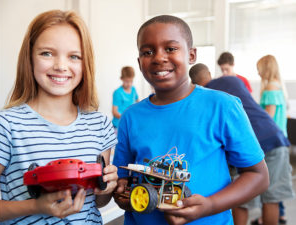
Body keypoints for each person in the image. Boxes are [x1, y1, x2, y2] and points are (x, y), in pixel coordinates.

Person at [113, 15, 269, 225]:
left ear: (192, 54)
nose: (159, 57)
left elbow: (258, 176)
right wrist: (122, 192)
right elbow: (123, 176)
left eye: (170, 48)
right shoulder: (130, 117)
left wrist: (211, 205)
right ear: (139, 62)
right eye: (147, 52)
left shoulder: (222, 106)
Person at [0, 10, 118, 225]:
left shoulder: (99, 125)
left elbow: (99, 200)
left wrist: (107, 186)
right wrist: (36, 206)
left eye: (74, 56)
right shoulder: (6, 126)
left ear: (85, 63)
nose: (61, 66)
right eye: (47, 53)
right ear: (29, 57)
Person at [189, 63, 294, 225]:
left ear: (193, 83)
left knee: (240, 200)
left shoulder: (205, 97)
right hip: (274, 137)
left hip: (248, 145)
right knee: (271, 199)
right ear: (209, 73)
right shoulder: (233, 80)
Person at [254, 55, 291, 225]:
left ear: (266, 69)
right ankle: (281, 214)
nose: (258, 72)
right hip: (282, 137)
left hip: (271, 141)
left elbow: (268, 117)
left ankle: (268, 217)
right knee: (277, 179)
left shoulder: (270, 88)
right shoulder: (279, 87)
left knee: (271, 182)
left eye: (259, 69)